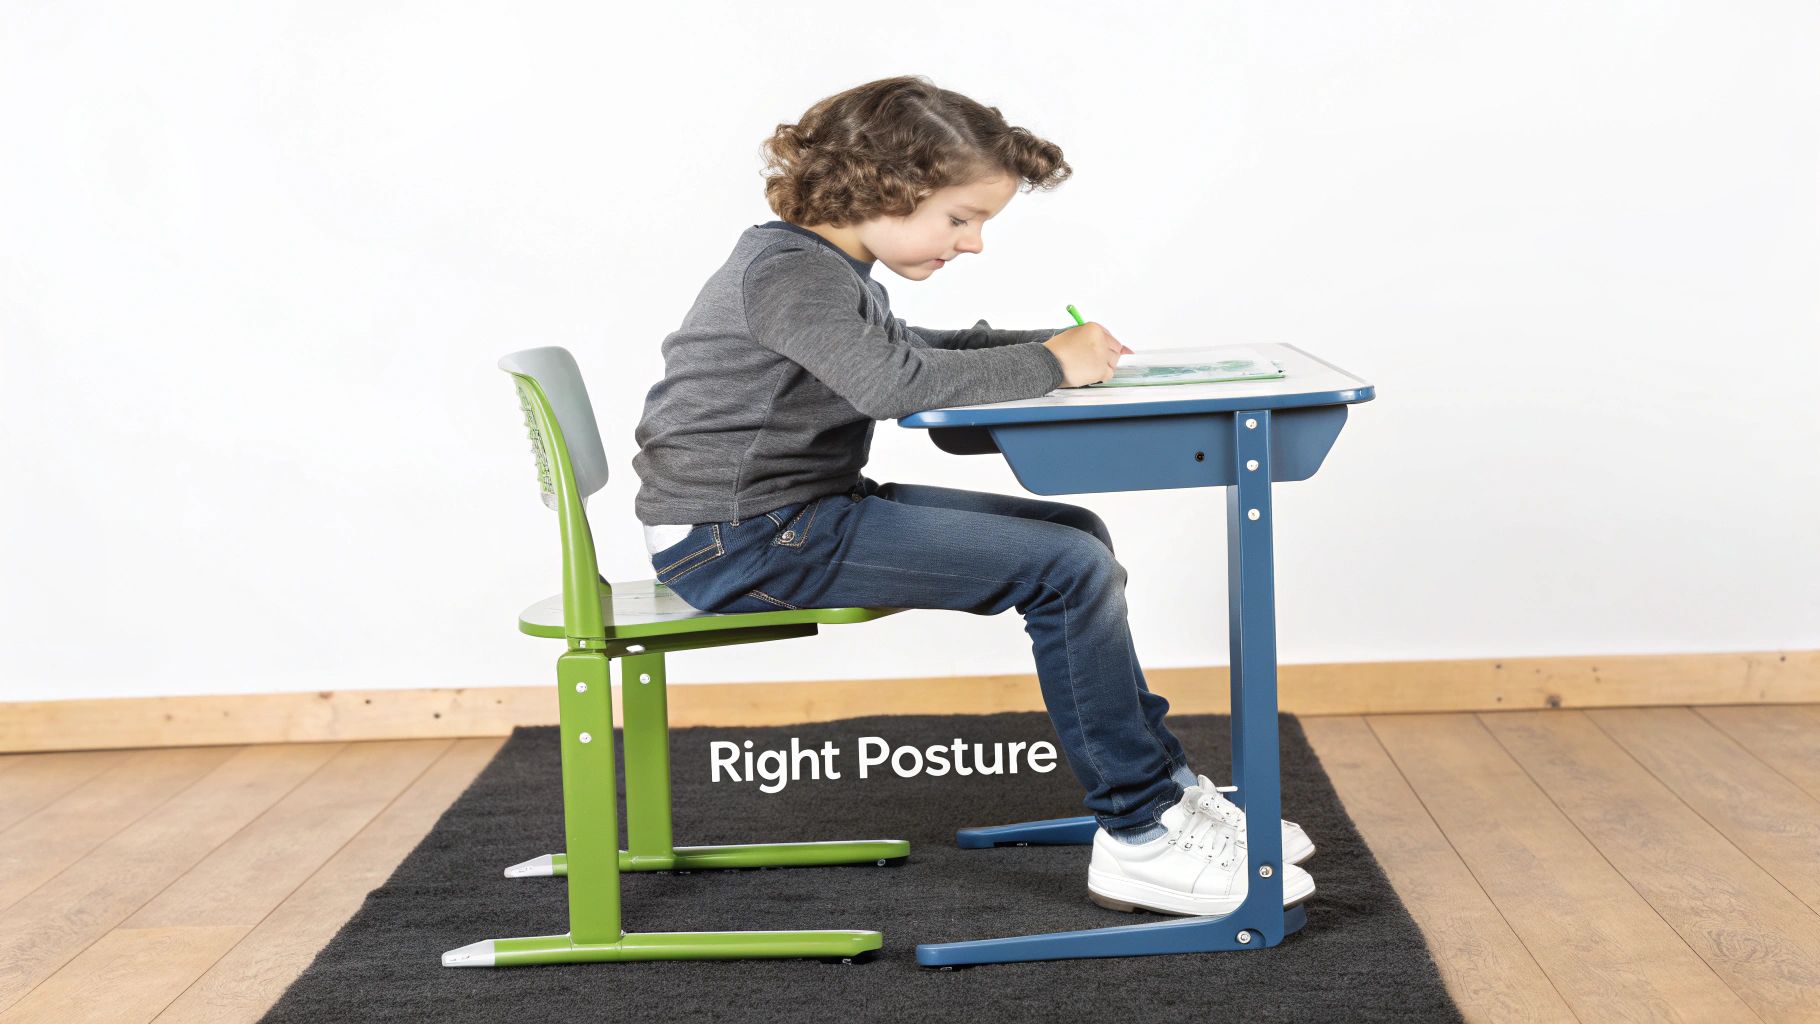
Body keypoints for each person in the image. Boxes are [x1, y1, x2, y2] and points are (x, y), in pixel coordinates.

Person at [630, 74, 1315, 916]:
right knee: (1065, 568)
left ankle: (1162, 787)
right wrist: (1052, 366)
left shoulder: (819, 268)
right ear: (879, 186)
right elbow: (891, 379)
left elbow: (910, 346)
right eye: (961, 219)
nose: (973, 244)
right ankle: (1140, 833)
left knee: (1078, 533)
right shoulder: (792, 277)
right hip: (745, 541)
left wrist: (1049, 345)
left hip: (786, 517)